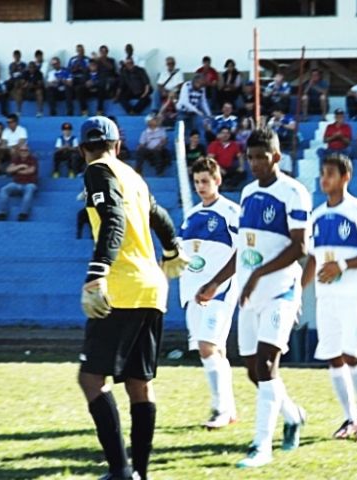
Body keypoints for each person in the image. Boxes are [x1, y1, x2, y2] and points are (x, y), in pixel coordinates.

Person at [76, 115, 188, 480]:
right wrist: (172, 249)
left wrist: (97, 274)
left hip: (121, 287)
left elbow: (113, 221)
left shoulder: (97, 171)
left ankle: (121, 471)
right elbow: (159, 215)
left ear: (82, 149)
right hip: (153, 287)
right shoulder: (133, 176)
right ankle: (140, 471)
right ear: (118, 145)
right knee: (140, 383)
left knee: (92, 379)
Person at [196, 127, 310, 468]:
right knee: (253, 370)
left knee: (266, 365)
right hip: (248, 294)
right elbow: (241, 246)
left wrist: (260, 274)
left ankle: (261, 447)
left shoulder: (294, 192)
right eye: (251, 157)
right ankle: (292, 415)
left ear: (276, 156)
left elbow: (300, 247)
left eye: (262, 156)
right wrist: (216, 282)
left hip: (280, 291)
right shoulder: (247, 193)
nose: (256, 163)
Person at [303, 153, 357, 441]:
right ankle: (349, 417)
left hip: (356, 294)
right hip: (327, 297)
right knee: (333, 357)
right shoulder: (316, 215)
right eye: (322, 173)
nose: (324, 179)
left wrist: (342, 265)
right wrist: (298, 292)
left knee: (352, 354)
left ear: (345, 177)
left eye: (330, 173)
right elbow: (312, 258)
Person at [178, 157, 241, 430]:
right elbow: (181, 254)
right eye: (197, 182)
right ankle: (230, 409)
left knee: (207, 348)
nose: (200, 186)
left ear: (218, 180)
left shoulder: (231, 211)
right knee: (216, 351)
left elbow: (243, 251)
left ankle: (220, 410)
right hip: (193, 292)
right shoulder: (191, 215)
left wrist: (215, 284)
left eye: (205, 181)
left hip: (220, 290)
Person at [0, 145, 38, 221]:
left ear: (28, 151)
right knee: (3, 189)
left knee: (29, 190)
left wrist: (16, 170)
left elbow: (31, 171)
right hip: (16, 183)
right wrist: (21, 166)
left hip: (29, 183)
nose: (24, 152)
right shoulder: (16, 160)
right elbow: (8, 170)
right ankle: (1, 213)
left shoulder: (33, 159)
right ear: (19, 152)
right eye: (22, 150)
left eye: (26, 150)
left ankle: (23, 213)